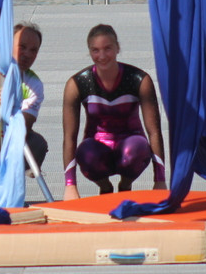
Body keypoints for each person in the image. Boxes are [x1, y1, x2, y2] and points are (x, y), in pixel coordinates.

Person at [62, 24, 167, 200]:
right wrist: (70, 185)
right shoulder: (77, 83)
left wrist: (160, 180)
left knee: (135, 151)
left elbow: (154, 132)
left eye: (108, 48)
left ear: (118, 48)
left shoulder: (138, 80)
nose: (102, 56)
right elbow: (69, 137)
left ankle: (125, 184)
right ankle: (105, 187)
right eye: (95, 50)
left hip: (130, 143)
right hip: (97, 147)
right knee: (86, 154)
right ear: (89, 52)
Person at [0, 22, 48, 171]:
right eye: (22, 47)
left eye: (33, 50)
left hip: (4, 143)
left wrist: (11, 107)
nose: (28, 55)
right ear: (7, 46)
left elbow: (24, 128)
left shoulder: (34, 85)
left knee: (38, 144)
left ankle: (12, 180)